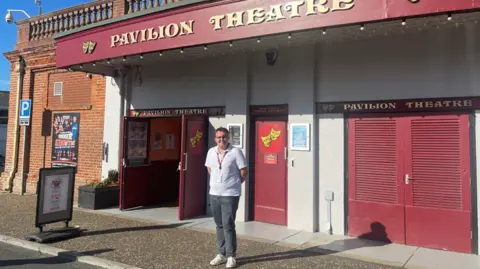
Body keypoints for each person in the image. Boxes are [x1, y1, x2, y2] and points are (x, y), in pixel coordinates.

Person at [205, 127, 248, 268]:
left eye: (224, 137)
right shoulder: (211, 152)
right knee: (219, 225)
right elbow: (210, 169)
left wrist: (233, 184)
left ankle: (231, 255)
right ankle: (221, 253)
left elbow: (244, 171)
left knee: (228, 225)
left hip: (230, 195)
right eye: (218, 137)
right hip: (215, 194)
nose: (221, 139)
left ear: (228, 138)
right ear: (215, 139)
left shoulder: (235, 152)